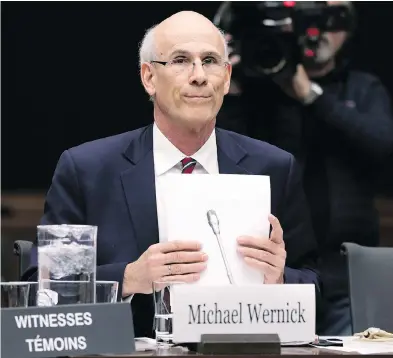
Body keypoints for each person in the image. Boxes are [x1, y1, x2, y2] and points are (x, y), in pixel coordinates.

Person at [24, 11, 321, 338]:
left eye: (210, 61)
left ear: (226, 76)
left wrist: (278, 280)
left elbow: (313, 284)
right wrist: (129, 277)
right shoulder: (87, 170)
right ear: (149, 77)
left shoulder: (274, 167)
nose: (199, 76)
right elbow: (44, 291)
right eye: (180, 60)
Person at [216, 2, 393, 335]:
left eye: (335, 19)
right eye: (313, 18)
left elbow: (383, 146)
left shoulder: (361, 87)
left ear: (351, 29)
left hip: (345, 275)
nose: (323, 31)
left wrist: (311, 95)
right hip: (275, 273)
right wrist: (232, 89)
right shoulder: (261, 89)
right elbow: (227, 161)